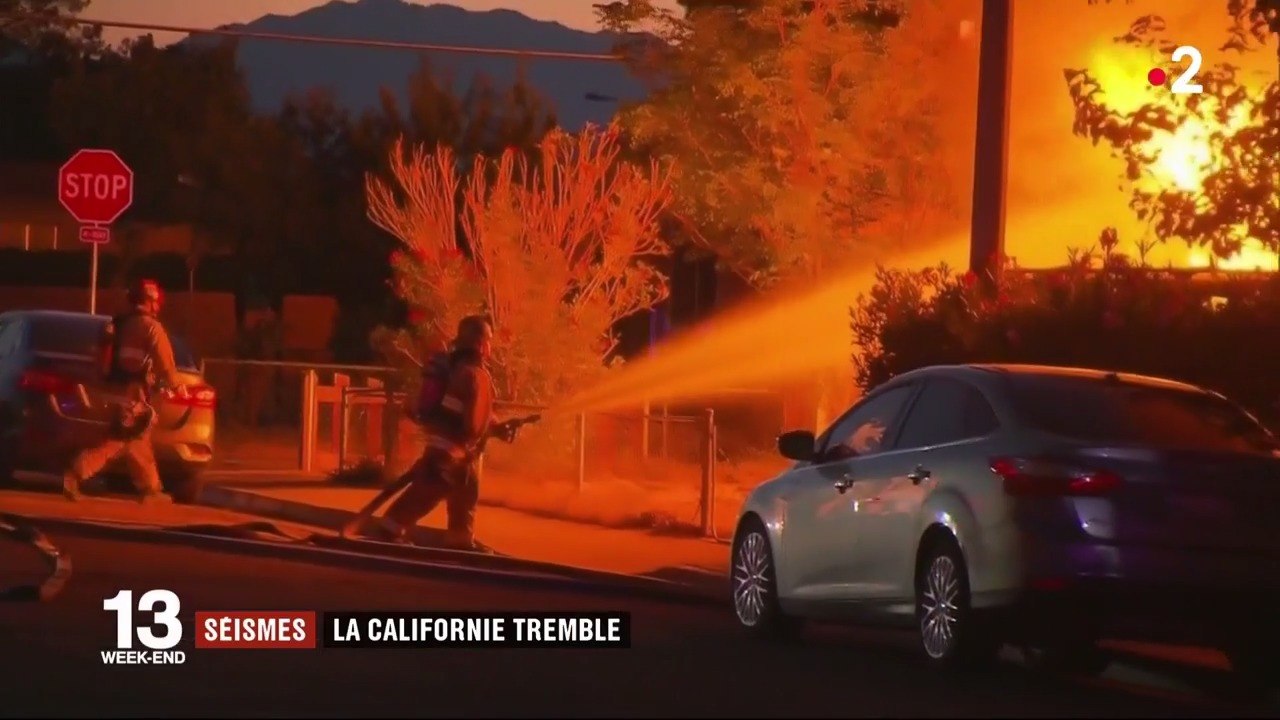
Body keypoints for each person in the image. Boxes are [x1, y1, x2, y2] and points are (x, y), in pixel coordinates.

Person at [369, 314, 519, 550]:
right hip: (452, 449)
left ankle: (459, 541)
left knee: (465, 492)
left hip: (452, 448)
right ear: (480, 344)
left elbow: (467, 411)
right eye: (489, 340)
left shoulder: (457, 369)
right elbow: (469, 418)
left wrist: (496, 428)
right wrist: (480, 435)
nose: (491, 346)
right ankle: (389, 531)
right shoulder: (473, 374)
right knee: (427, 493)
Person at [63, 278, 188, 503]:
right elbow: (165, 363)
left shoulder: (116, 324)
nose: (158, 307)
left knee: (137, 440)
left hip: (110, 392)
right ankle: (75, 474)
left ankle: (151, 489)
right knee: (117, 441)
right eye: (156, 302)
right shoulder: (151, 327)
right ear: (150, 302)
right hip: (133, 395)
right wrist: (177, 386)